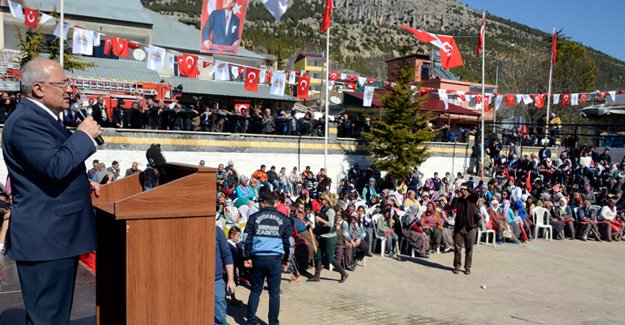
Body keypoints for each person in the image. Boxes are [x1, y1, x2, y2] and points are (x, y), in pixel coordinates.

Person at [1, 58, 102, 324]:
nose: (70, 89)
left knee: (55, 316)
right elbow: (54, 166)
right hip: (47, 241)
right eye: (63, 83)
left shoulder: (42, 118)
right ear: (38, 89)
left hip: (56, 238)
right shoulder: (25, 122)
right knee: (48, 318)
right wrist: (83, 135)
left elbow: (44, 172)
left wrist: (82, 182)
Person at [243, 191, 292, 325]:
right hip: (275, 259)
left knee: (255, 290)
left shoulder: (253, 217)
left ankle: (251, 320)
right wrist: (286, 259)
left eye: (259, 202)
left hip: (258, 258)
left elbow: (246, 238)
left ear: (263, 202)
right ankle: (273, 322)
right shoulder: (284, 219)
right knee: (274, 293)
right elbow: (289, 242)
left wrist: (246, 256)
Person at [309, 192, 349, 283]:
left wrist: (320, 219)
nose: (320, 200)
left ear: (327, 200)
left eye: (322, 199)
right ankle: (316, 276)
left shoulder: (330, 210)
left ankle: (344, 273)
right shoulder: (324, 209)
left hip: (330, 237)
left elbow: (330, 224)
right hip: (323, 236)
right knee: (318, 256)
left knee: (330, 258)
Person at [450, 184, 479, 275]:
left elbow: (476, 195)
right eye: (461, 189)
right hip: (459, 227)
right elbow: (453, 206)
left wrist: (468, 188)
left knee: (469, 249)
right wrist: (456, 195)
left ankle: (467, 267)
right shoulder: (459, 199)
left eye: (464, 189)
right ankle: (457, 266)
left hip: (470, 227)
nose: (462, 191)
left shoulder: (472, 198)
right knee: (458, 248)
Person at [215, 223, 236, 325]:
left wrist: (231, 280)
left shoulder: (218, 231)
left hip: (216, 279)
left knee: (219, 315)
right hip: (193, 280)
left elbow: (227, 254)